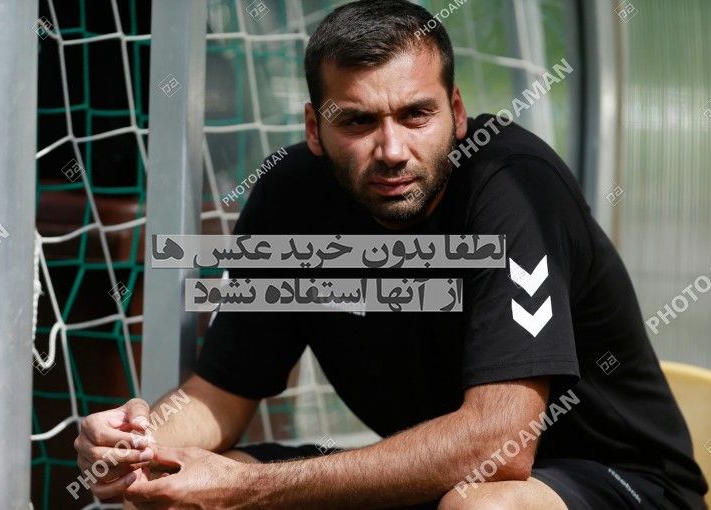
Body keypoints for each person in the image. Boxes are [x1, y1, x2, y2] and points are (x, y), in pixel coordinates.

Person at [74, 1, 708, 508]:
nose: (393, 151)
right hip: (440, 482)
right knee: (172, 490)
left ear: (456, 113)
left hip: (620, 482)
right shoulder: (292, 199)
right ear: (314, 128)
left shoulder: (516, 188)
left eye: (415, 115)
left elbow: (501, 445)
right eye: (357, 122)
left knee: (484, 506)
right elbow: (220, 396)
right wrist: (137, 443)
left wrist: (253, 485)